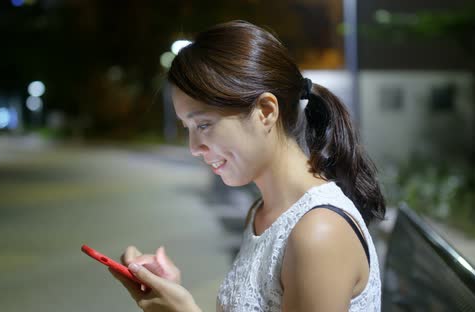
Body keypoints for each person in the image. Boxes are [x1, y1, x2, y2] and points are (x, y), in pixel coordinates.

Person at [109, 20, 385, 312]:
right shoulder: (261, 213)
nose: (193, 147)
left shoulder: (318, 232)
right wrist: (172, 291)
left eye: (203, 124)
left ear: (265, 112)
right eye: (187, 127)